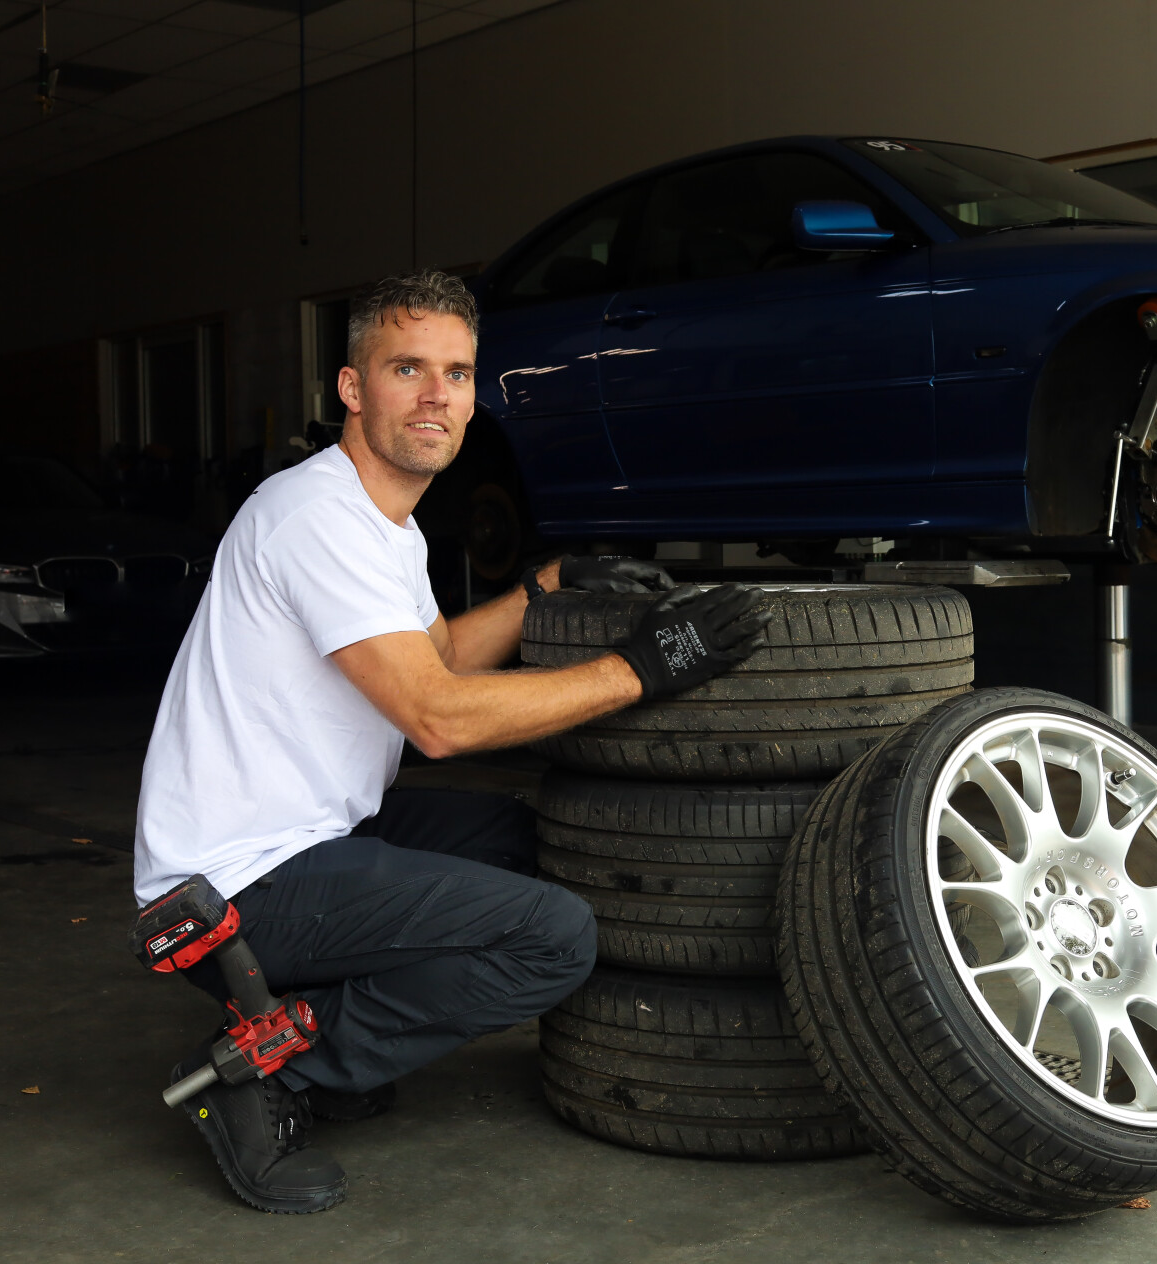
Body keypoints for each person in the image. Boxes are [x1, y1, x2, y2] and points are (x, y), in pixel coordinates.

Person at [132, 270, 769, 1214]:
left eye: (458, 373)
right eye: (407, 368)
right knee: (553, 937)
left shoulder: (386, 525)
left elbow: (437, 655)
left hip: (312, 836)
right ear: (352, 389)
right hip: (232, 885)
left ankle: (323, 1039)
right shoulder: (313, 516)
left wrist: (546, 585)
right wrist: (642, 668)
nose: (437, 396)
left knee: (536, 842)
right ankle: (267, 1068)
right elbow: (438, 717)